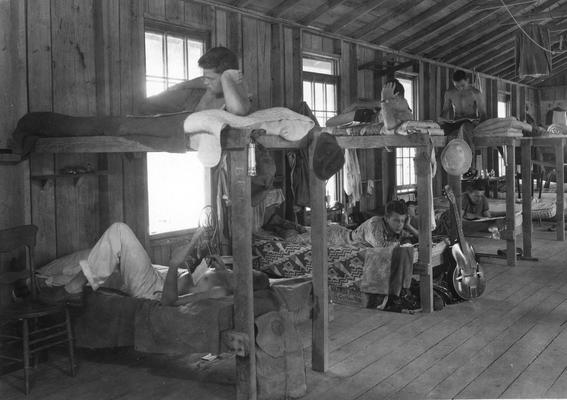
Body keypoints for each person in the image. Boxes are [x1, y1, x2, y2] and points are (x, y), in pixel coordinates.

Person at [39, 223, 268, 306]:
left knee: (119, 232)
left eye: (246, 274)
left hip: (154, 290)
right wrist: (211, 263)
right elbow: (197, 276)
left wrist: (174, 263)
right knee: (99, 254)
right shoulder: (224, 275)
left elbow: (171, 301)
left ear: (244, 286)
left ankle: (69, 289)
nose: (242, 271)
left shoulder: (218, 291)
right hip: (163, 275)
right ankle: (44, 280)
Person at [328, 200, 419, 310]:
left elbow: (420, 238)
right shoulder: (374, 224)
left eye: (402, 221)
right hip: (338, 237)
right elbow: (382, 248)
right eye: (396, 220)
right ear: (386, 218)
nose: (399, 225)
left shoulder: (396, 227)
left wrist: (408, 226)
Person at [139, 46, 251, 116]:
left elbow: (237, 110)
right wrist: (181, 85)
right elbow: (203, 81)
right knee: (145, 106)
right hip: (190, 101)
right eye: (205, 77)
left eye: (210, 79)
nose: (206, 82)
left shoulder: (238, 85)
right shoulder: (210, 84)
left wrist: (227, 76)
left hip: (191, 109)